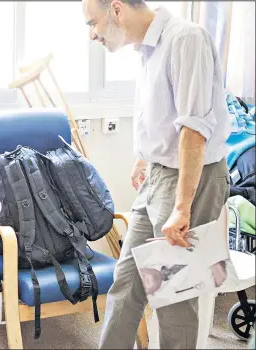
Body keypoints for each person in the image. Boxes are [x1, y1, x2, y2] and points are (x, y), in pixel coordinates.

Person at [81, 0, 231, 348]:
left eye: (93, 23)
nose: (92, 35)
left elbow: (194, 129)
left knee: (173, 296)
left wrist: (182, 206)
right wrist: (144, 157)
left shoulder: (185, 39)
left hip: (193, 179)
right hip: (159, 176)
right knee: (127, 282)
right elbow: (163, 116)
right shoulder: (147, 48)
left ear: (116, 9)